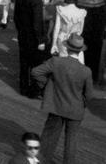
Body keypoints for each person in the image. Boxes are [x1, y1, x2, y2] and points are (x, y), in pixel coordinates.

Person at [31, 34, 92, 164]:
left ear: (67, 48)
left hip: (56, 106)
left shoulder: (56, 62)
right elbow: (89, 94)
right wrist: (82, 103)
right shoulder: (86, 71)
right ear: (80, 51)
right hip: (75, 110)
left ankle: (42, 161)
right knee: (71, 141)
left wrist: (46, 85)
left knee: (49, 137)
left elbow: (36, 72)